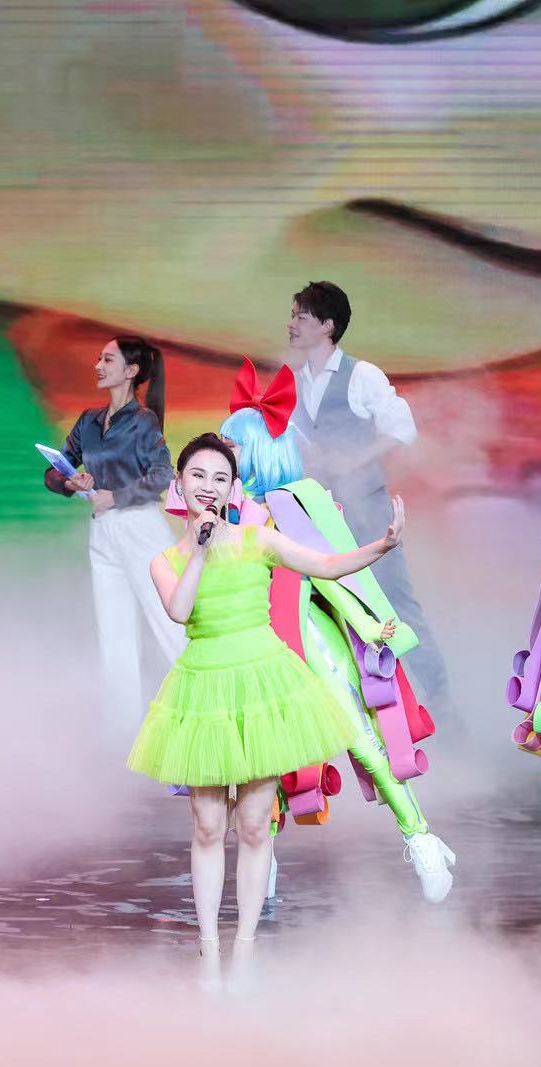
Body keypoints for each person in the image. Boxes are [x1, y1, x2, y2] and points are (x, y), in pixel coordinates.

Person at [129, 434, 403, 988]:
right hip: (205, 690)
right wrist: (201, 549)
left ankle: (246, 952)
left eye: (220, 478)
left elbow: (326, 565)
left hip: (262, 686)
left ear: (234, 489)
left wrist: (382, 545)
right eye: (198, 476)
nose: (209, 487)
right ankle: (209, 953)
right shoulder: (165, 560)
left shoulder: (260, 539)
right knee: (208, 825)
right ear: (179, 484)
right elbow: (180, 610)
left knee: (255, 825)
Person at [216, 360, 454, 903]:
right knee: (261, 758)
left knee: (360, 738)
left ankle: (421, 838)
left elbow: (333, 570)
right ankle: (262, 860)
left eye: (232, 446)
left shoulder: (297, 505)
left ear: (258, 452)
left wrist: (371, 620)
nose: (223, 455)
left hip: (309, 640)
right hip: (250, 647)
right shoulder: (224, 520)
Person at [283, 282, 448, 708]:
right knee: (328, 611)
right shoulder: (292, 381)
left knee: (398, 608)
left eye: (301, 316)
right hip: (316, 516)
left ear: (327, 325)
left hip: (367, 511)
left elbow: (402, 428)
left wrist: (354, 459)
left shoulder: (361, 375)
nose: (291, 323)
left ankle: (441, 708)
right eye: (292, 315)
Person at [45, 336, 184, 727]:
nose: (98, 365)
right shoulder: (88, 421)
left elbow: (163, 475)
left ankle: (206, 712)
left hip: (141, 528)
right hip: (103, 532)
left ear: (131, 371)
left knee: (170, 627)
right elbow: (54, 471)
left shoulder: (144, 422)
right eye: (99, 358)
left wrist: (116, 496)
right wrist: (69, 482)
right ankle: (124, 733)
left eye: (107, 359)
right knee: (114, 639)